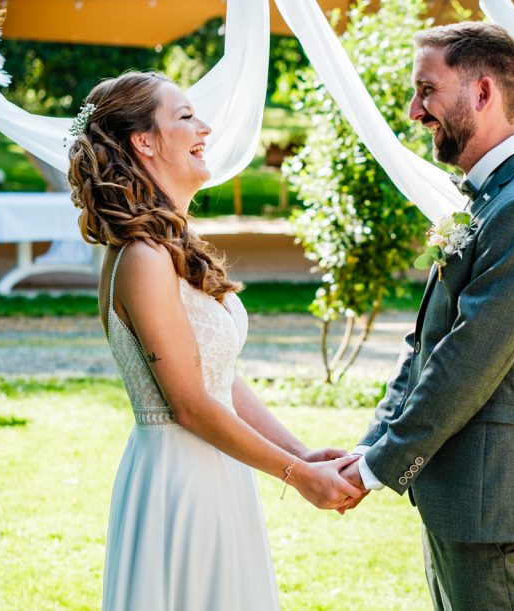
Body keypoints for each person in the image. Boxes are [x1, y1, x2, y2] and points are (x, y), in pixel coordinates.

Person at [67, 71, 361, 611]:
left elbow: (217, 378)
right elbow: (189, 404)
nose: (205, 127)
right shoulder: (142, 259)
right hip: (180, 482)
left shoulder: (172, 244)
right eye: (185, 117)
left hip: (219, 470)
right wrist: (297, 477)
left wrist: (299, 451)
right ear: (145, 142)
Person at [340, 22, 514, 610]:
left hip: (495, 503)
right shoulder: (494, 198)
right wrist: (371, 442)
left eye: (427, 90)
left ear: (481, 94)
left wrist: (377, 468)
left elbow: (465, 363)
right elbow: (427, 342)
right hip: (465, 499)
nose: (414, 110)